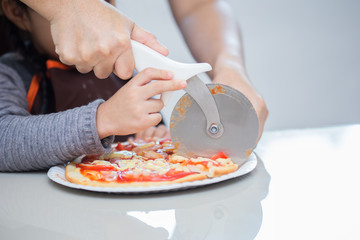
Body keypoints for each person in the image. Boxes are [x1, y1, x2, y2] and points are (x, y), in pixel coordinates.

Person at [0, 0, 186, 171]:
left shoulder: (125, 69)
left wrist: (152, 134)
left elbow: (152, 127)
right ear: (17, 12)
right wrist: (102, 120)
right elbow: (4, 139)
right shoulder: (12, 73)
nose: (95, 22)